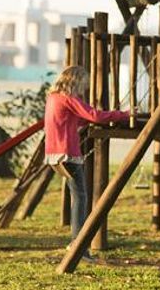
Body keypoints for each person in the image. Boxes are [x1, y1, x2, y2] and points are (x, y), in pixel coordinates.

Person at [44, 65, 129, 259]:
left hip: (54, 155)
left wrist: (97, 119)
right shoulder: (68, 98)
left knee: (78, 197)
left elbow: (75, 120)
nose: (85, 87)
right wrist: (123, 115)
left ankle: (77, 244)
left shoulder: (53, 98)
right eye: (83, 83)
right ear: (75, 81)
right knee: (81, 198)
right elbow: (94, 115)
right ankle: (78, 246)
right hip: (67, 154)